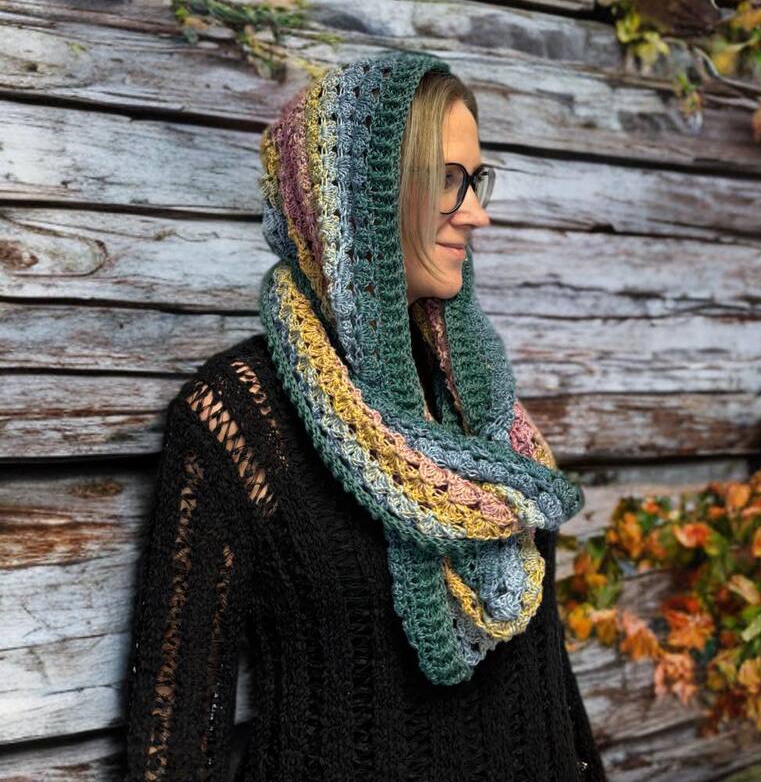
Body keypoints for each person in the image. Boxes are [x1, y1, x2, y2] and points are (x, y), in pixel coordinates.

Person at [122, 48, 608, 782]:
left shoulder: (483, 409)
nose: (476, 213)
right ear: (361, 200)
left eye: (476, 181)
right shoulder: (241, 420)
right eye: (447, 180)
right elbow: (174, 739)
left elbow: (545, 674)